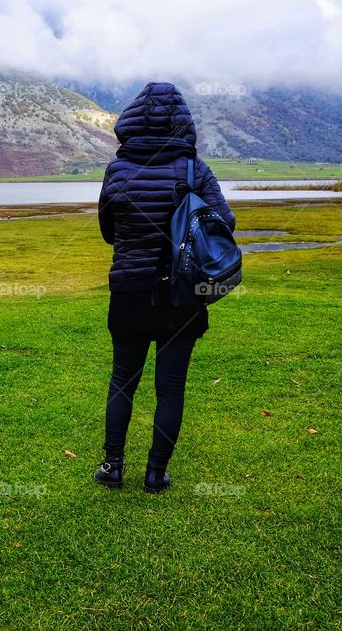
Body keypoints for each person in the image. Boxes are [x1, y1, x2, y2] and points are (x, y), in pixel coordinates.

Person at [94, 82, 236, 493]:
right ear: (182, 122)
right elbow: (225, 226)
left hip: (130, 289)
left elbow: (108, 231)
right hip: (184, 293)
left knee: (123, 380)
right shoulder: (196, 170)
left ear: (134, 119)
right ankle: (156, 474)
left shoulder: (118, 169)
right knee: (170, 388)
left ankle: (113, 467)